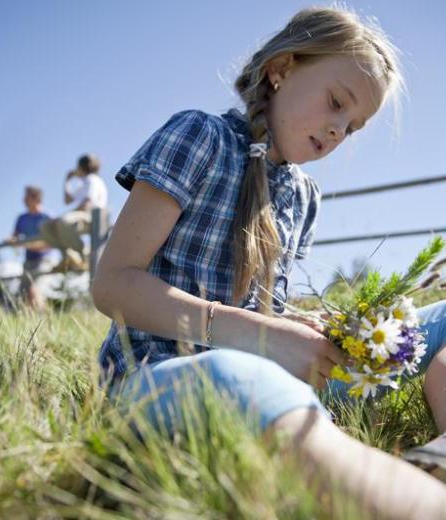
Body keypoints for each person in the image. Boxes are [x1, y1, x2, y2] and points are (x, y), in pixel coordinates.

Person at [92, 6, 446, 519]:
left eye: (352, 127)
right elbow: (113, 285)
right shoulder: (200, 136)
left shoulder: (304, 195)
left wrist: (308, 331)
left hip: (270, 370)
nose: (337, 131)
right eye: (335, 103)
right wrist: (258, 335)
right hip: (162, 374)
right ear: (281, 69)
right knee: (237, 375)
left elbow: (269, 314)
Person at [40, 154, 108, 272]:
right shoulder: (83, 183)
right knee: (46, 227)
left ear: (81, 167)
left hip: (92, 217)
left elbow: (87, 204)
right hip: (81, 215)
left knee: (63, 221)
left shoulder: (92, 179)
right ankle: (69, 256)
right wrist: (67, 181)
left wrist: (64, 217)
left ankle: (84, 254)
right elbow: (67, 200)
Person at [9, 186, 51, 311]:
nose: (24, 200)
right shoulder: (21, 218)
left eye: (27, 196)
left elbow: (48, 244)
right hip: (28, 261)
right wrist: (12, 240)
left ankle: (43, 320)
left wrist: (24, 244)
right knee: (25, 294)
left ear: (36, 198)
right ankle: (41, 320)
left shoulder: (46, 218)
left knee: (34, 290)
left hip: (43, 260)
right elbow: (14, 236)